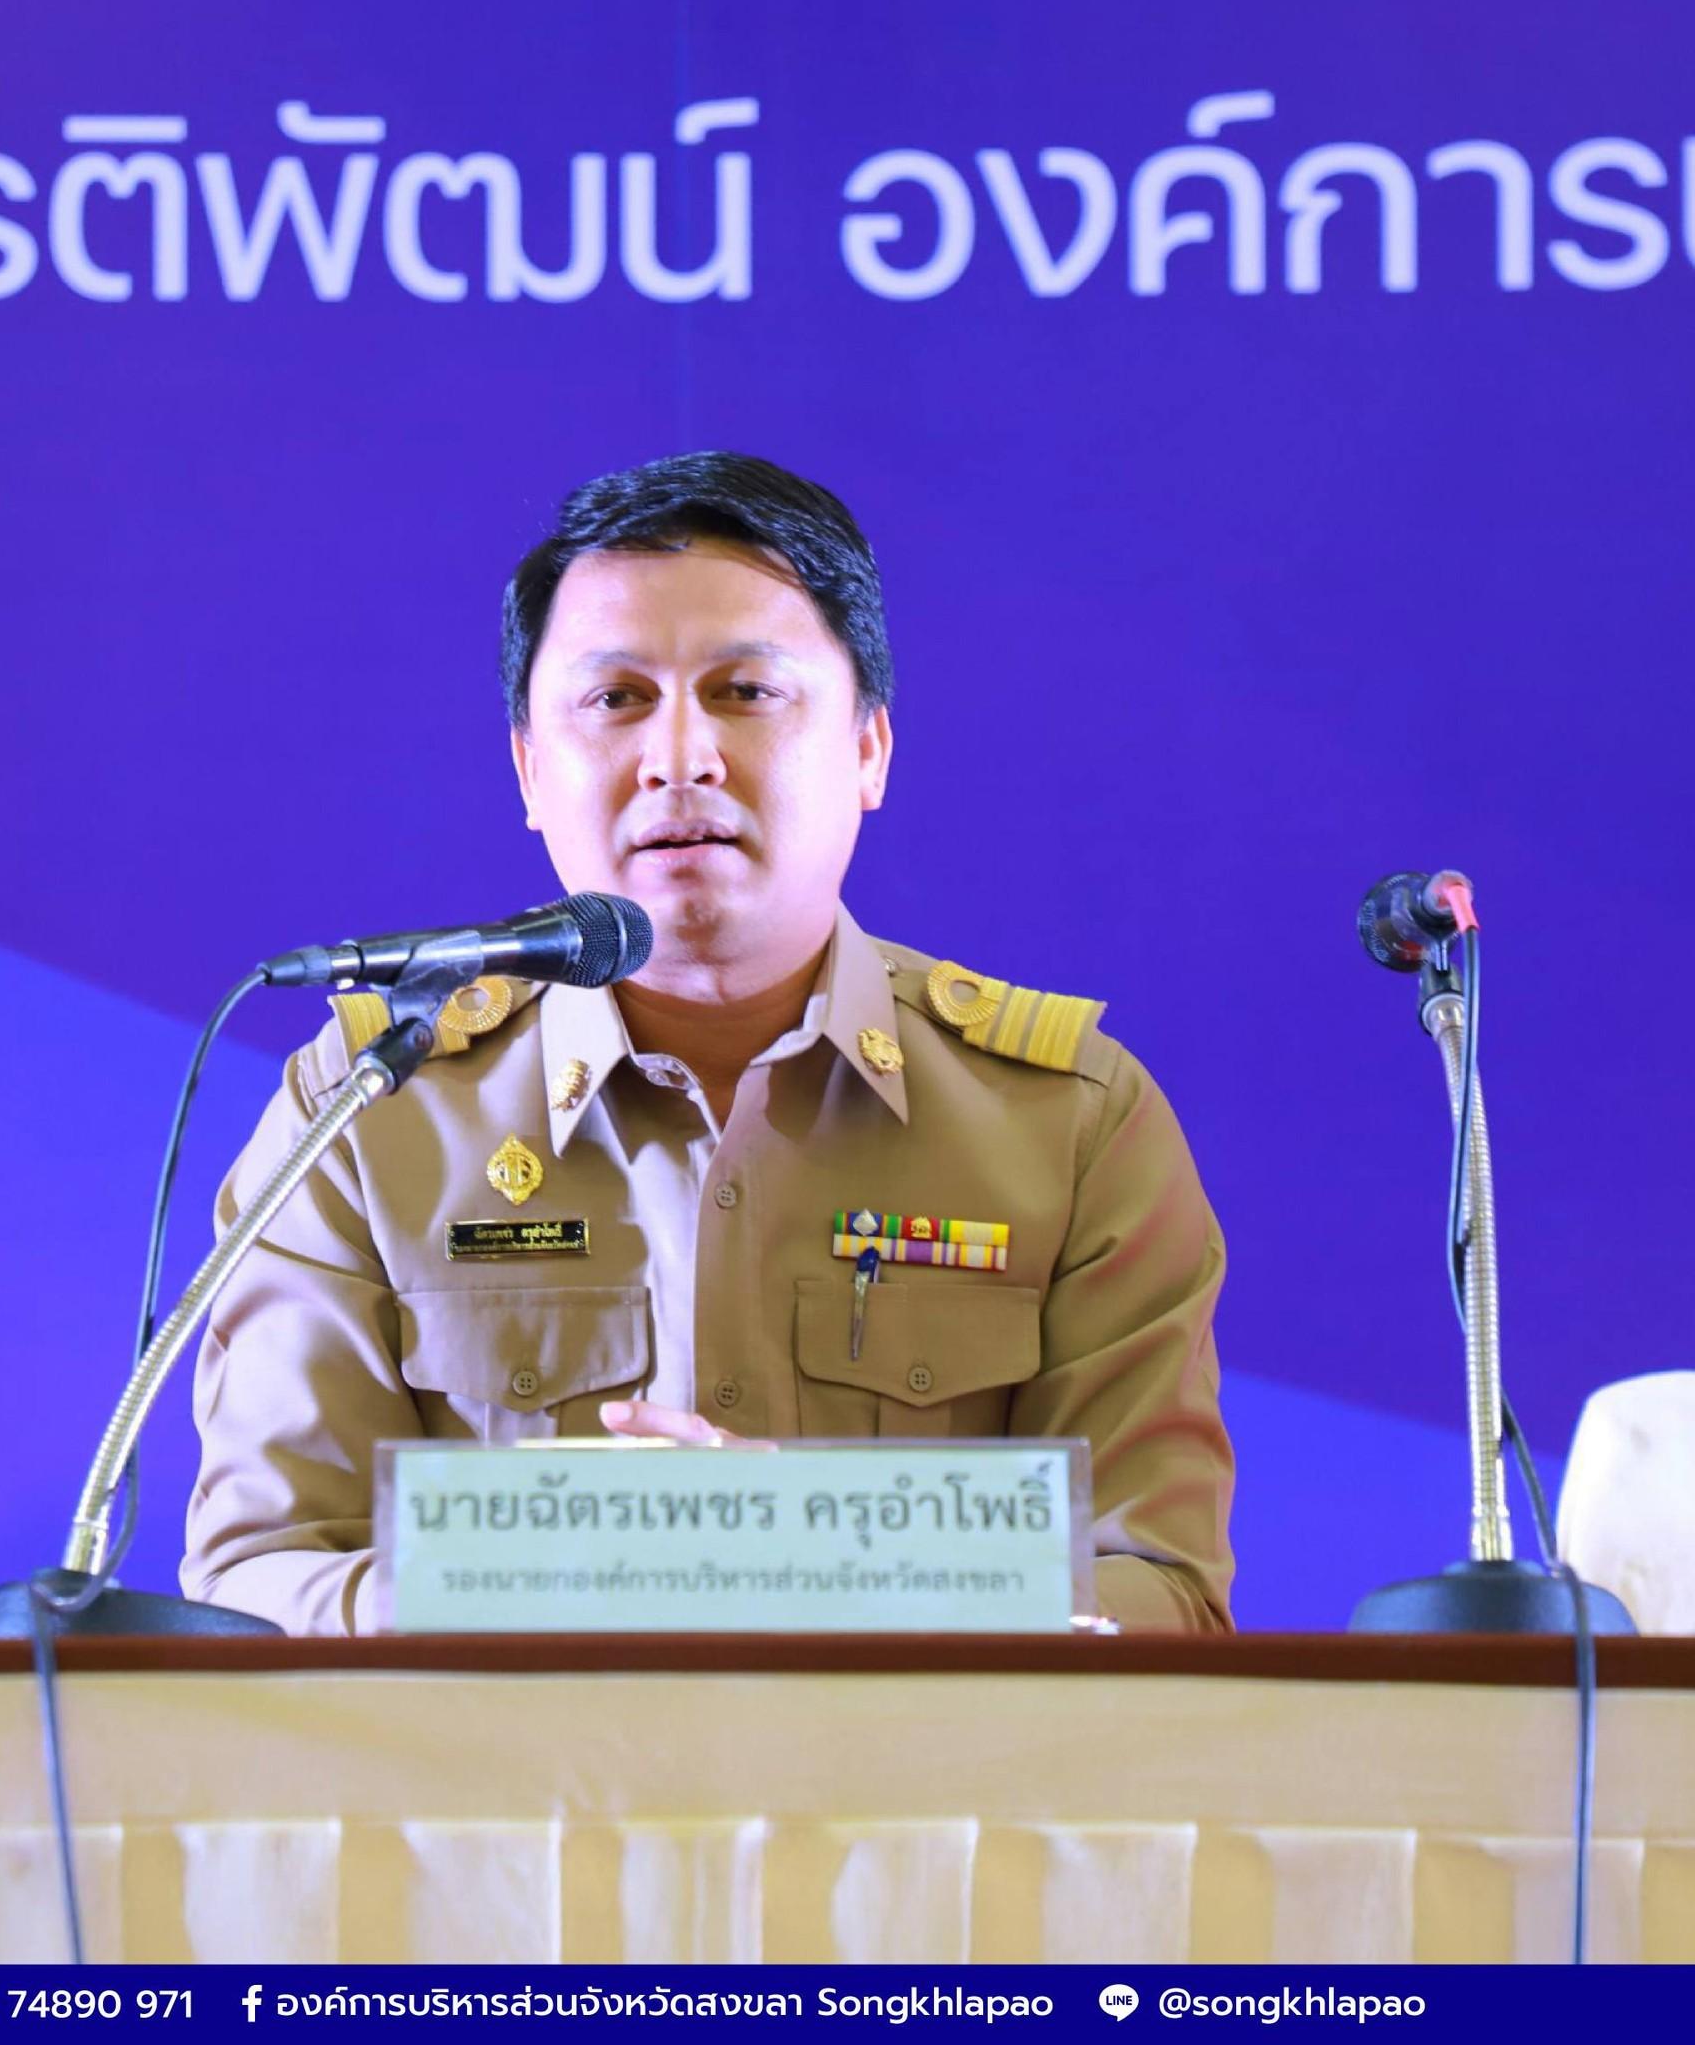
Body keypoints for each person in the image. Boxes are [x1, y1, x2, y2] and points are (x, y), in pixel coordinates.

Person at [181, 452, 1235, 1634]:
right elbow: (257, 1577)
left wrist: (808, 1555)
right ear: (528, 769)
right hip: (511, 1760)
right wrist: (541, 1579)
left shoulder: (1069, 1120)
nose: (678, 756)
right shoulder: (370, 1107)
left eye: (743, 691)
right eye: (615, 699)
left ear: (868, 749)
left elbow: (1160, 1590)